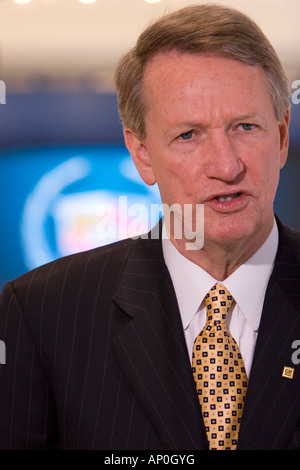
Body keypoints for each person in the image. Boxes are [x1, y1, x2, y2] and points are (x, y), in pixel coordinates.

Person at [0, 3, 299, 451]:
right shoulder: (41, 314)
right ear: (142, 154)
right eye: (188, 135)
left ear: (280, 137)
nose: (226, 165)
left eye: (245, 126)